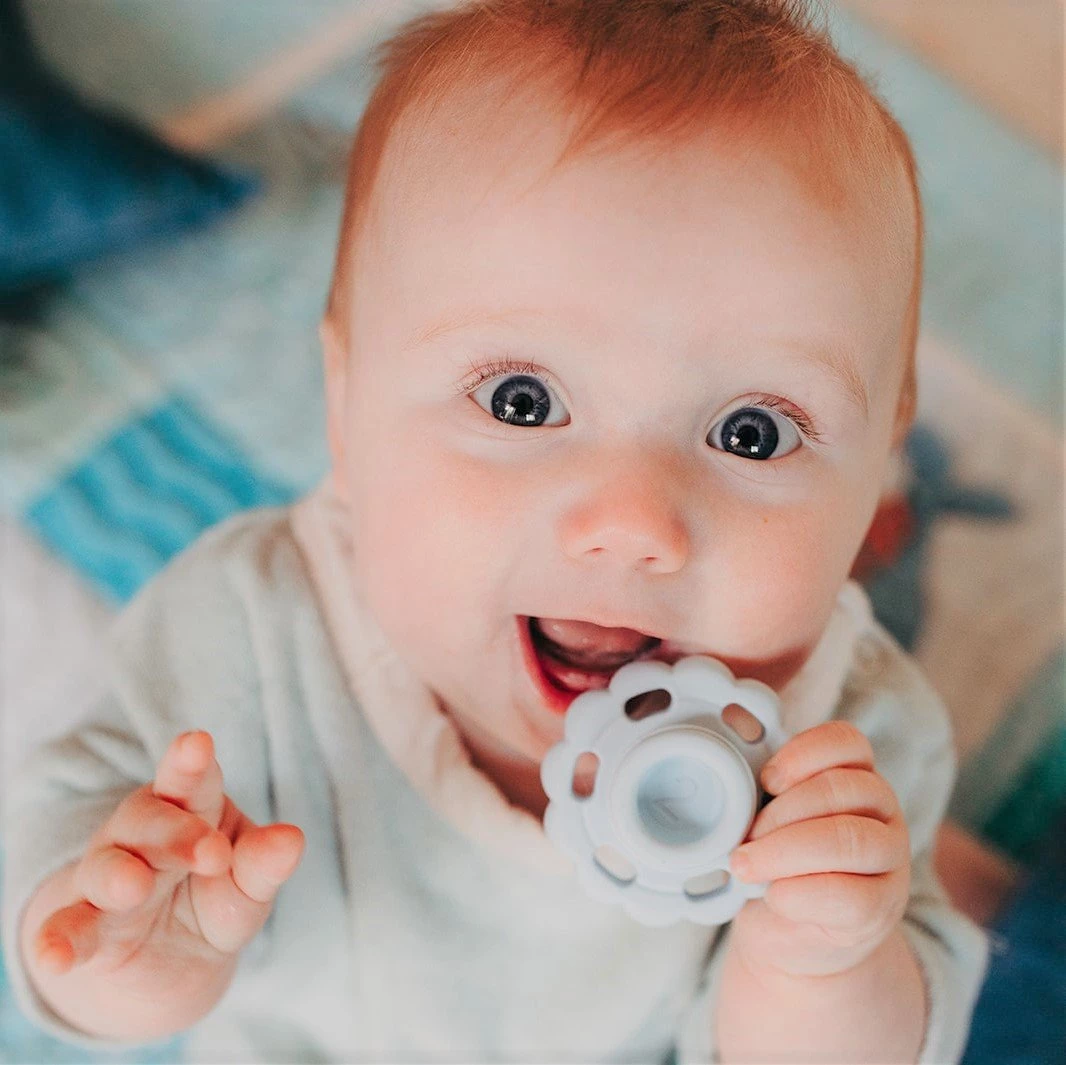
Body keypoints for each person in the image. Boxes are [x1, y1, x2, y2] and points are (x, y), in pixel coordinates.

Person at [1, 1, 989, 1060]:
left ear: (879, 452)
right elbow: (68, 864)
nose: (631, 524)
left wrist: (821, 961)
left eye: (751, 433)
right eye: (522, 401)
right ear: (347, 402)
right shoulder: (249, 627)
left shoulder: (846, 751)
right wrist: (134, 954)